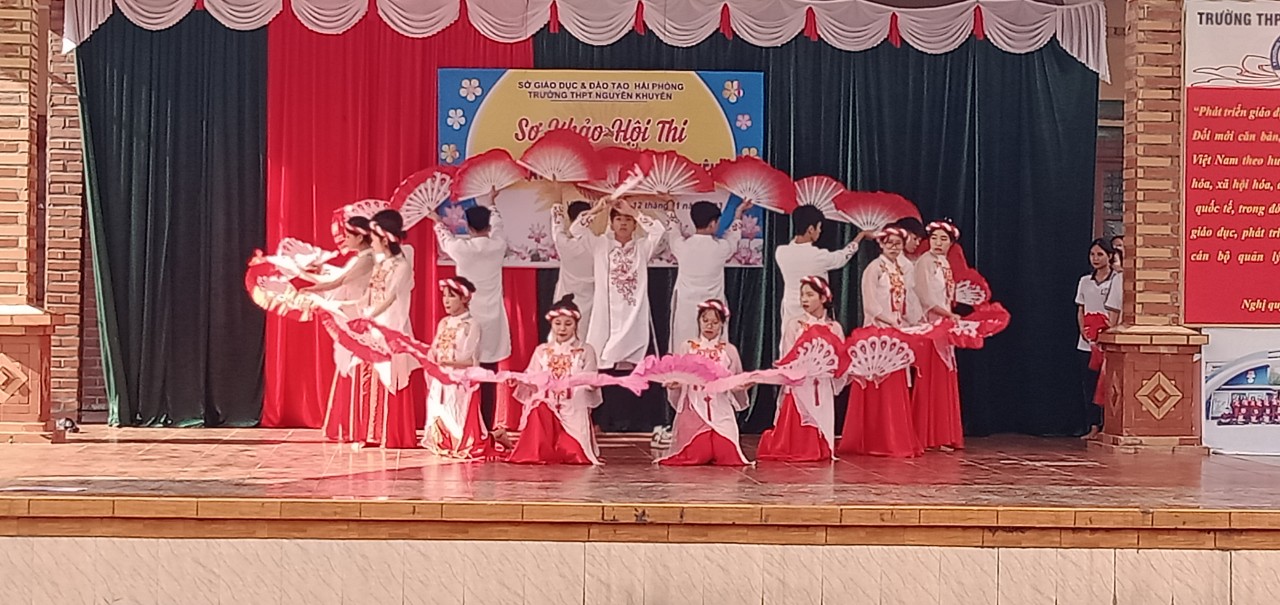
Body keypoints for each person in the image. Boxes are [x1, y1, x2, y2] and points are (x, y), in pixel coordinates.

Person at [432, 204, 512, 444]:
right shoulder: (497, 245)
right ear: (488, 225)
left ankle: (465, 425)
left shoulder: (461, 248)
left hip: (466, 319)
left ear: (467, 227)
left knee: (464, 374)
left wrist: (437, 220)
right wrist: (494, 205)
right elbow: (499, 227)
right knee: (487, 375)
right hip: (492, 318)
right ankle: (485, 426)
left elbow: (445, 239)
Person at [298, 216, 377, 443]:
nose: (345, 239)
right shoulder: (360, 258)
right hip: (351, 313)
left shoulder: (367, 259)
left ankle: (356, 426)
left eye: (349, 235)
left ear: (360, 237)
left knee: (353, 367)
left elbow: (338, 282)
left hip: (357, 314)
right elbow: (338, 276)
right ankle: (348, 425)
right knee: (347, 365)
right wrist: (318, 271)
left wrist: (309, 289)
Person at [349, 209, 420, 450]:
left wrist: (369, 317)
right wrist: (354, 308)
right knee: (370, 375)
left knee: (388, 376)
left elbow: (391, 298)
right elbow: (370, 293)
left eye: (374, 237)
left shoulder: (402, 265)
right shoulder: (381, 263)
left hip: (390, 325)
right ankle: (370, 433)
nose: (371, 241)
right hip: (373, 324)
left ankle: (390, 434)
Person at [757, 276, 846, 462]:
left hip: (822, 384)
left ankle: (821, 445)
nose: (804, 299)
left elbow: (841, 360)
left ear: (823, 298)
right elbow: (787, 357)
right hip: (800, 384)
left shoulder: (834, 327)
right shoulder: (795, 325)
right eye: (802, 295)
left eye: (810, 295)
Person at [572, 198, 666, 370]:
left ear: (635, 225)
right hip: (605, 310)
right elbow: (576, 229)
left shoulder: (642, 247)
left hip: (633, 310)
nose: (623, 223)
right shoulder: (600, 244)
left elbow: (658, 231)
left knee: (633, 358)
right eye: (619, 219)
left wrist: (634, 213)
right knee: (602, 357)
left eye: (628, 220)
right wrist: (597, 209)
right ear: (612, 223)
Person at [508, 295, 603, 465]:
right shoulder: (542, 350)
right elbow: (532, 376)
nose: (562, 328)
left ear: (576, 325)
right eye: (558, 323)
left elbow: (591, 378)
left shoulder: (585, 350)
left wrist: (586, 383)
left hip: (573, 407)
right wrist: (519, 380)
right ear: (551, 324)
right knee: (538, 407)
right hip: (548, 403)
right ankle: (538, 451)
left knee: (576, 455)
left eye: (568, 324)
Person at [657, 300, 751, 466]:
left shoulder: (729, 350)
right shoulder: (687, 347)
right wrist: (675, 383)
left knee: (729, 457)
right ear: (699, 321)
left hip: (720, 408)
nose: (709, 326)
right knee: (696, 455)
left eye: (715, 322)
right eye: (705, 321)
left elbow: (734, 381)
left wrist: (741, 386)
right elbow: (679, 376)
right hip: (694, 407)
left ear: (722, 324)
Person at [774, 205, 871, 355]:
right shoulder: (818, 256)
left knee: (790, 348)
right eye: (819, 228)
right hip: (814, 307)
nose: (820, 231)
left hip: (790, 306)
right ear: (810, 229)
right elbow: (842, 257)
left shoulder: (781, 252)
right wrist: (860, 236)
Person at [422, 276, 495, 459]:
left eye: (451, 296)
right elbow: (435, 350)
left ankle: (483, 438)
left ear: (464, 298)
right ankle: (445, 441)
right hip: (441, 378)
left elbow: (471, 359)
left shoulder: (471, 325)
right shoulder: (443, 323)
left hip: (460, 379)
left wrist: (448, 364)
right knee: (439, 410)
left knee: (459, 416)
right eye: (444, 296)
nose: (446, 300)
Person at [909, 220, 965, 451]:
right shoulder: (925, 262)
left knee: (944, 377)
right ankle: (925, 435)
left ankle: (942, 435)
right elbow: (925, 297)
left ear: (951, 244)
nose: (938, 243)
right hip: (931, 326)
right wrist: (948, 314)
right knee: (930, 379)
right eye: (934, 238)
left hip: (943, 326)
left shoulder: (944, 263)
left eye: (943, 239)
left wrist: (949, 316)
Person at [664, 200, 750, 351]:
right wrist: (738, 214)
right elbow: (733, 238)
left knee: (683, 346)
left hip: (686, 307)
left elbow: (673, 230)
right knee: (714, 348)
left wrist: (670, 208)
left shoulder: (681, 246)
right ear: (712, 224)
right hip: (713, 308)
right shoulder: (721, 248)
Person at [1076, 238, 1121, 440]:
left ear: (1110, 256)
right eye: (1092, 254)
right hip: (1087, 342)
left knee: (1108, 385)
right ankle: (1093, 425)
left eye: (1100, 254)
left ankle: (1108, 425)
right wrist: (1084, 331)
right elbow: (1081, 309)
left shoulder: (1117, 280)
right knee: (1090, 385)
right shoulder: (1085, 281)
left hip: (1108, 340)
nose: (1095, 258)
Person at [550, 201, 595, 340]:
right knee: (586, 336)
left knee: (562, 335)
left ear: (569, 219)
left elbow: (557, 227)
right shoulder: (597, 243)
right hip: (590, 297)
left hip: (566, 295)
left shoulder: (563, 243)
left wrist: (557, 205)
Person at [861, 227, 914, 328]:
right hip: (878, 326)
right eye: (889, 243)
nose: (894, 247)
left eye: (898, 243)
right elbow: (870, 304)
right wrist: (889, 322)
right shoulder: (874, 267)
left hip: (897, 324)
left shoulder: (899, 269)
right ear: (881, 244)